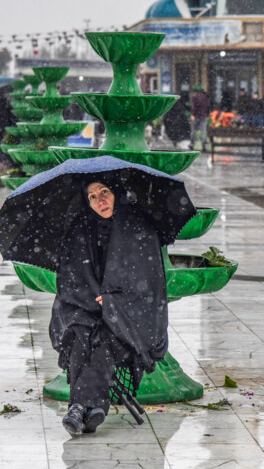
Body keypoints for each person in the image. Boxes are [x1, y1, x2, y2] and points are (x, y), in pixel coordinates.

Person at [49, 181, 168, 436]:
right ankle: (89, 409)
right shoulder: (83, 230)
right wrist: (95, 299)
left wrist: (114, 302)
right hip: (90, 312)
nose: (99, 201)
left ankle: (79, 407)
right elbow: (72, 281)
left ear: (118, 194)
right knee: (80, 335)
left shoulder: (138, 229)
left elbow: (149, 285)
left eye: (105, 192)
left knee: (105, 342)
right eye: (92, 196)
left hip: (133, 322)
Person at [190, 85, 210, 151]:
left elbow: (193, 107)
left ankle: (192, 145)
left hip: (197, 116)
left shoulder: (195, 97)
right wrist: (207, 114)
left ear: (194, 92)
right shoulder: (205, 97)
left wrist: (193, 114)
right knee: (203, 131)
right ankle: (204, 146)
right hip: (204, 116)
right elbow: (208, 106)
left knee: (194, 130)